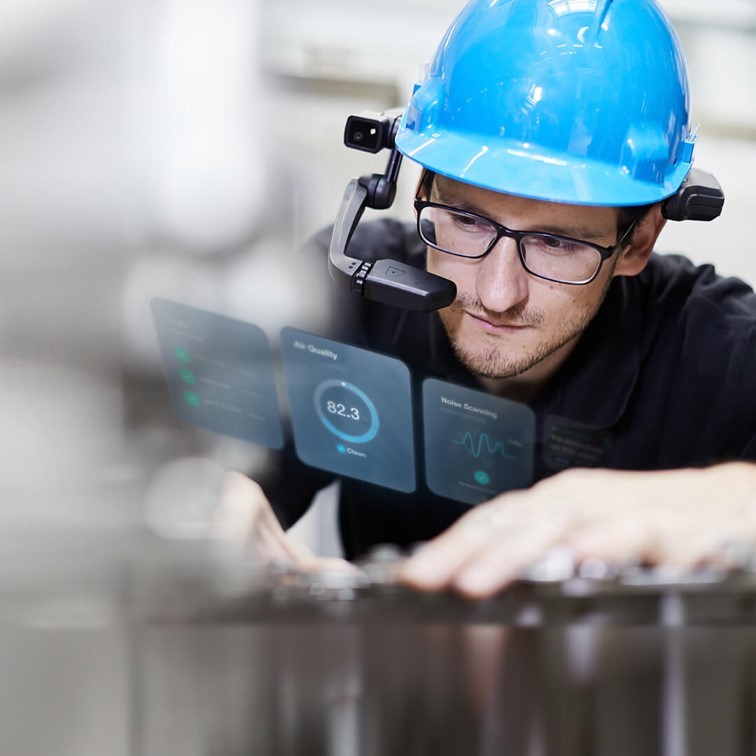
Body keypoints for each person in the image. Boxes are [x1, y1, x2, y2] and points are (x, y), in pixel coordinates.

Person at [224, 0, 756, 594]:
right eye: (467, 220)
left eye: (556, 243)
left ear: (637, 244)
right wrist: (212, 496)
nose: (497, 294)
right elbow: (215, 460)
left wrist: (722, 501)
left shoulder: (720, 353)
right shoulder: (353, 295)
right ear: (421, 187)